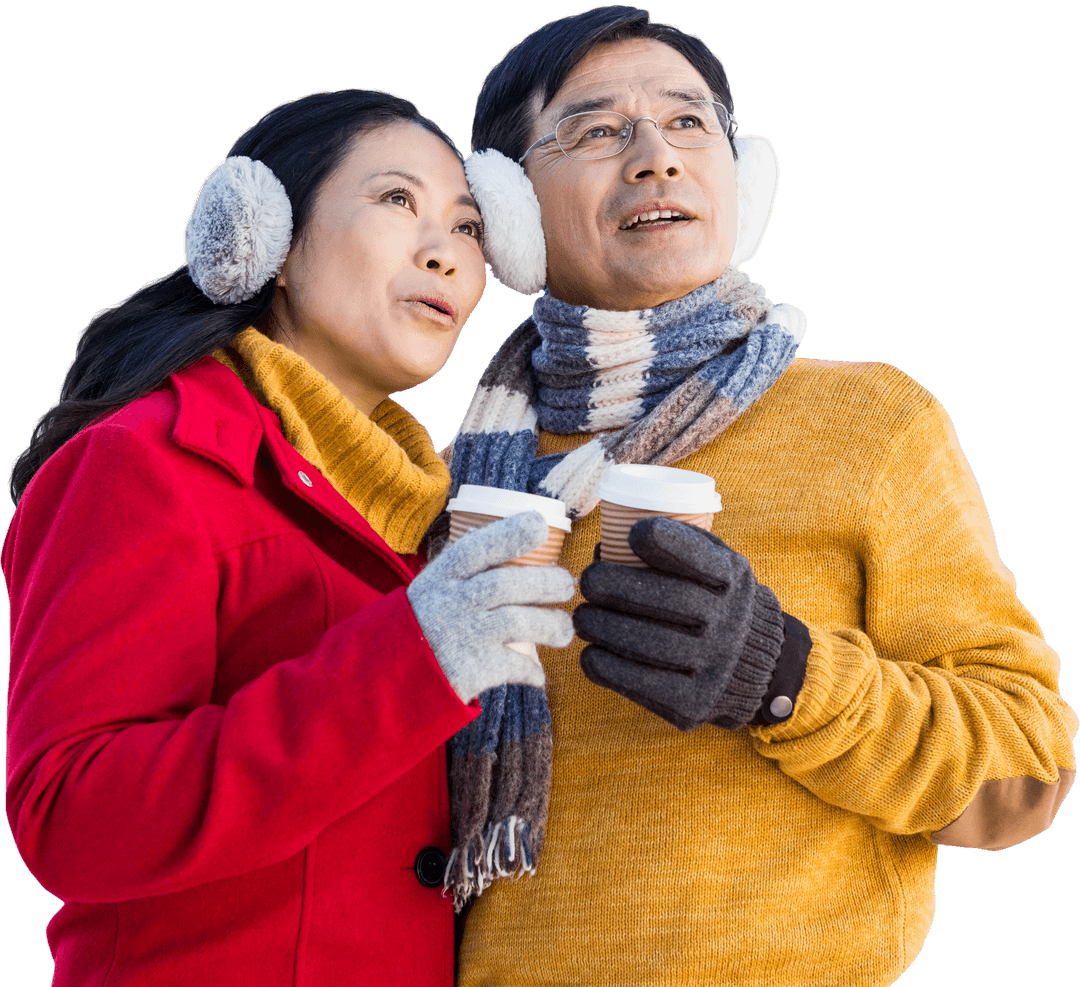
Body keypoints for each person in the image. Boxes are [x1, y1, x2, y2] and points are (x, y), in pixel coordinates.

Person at [441, 7, 1079, 986]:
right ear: (505, 209)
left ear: (750, 179)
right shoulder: (455, 482)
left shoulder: (874, 421)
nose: (656, 156)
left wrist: (784, 676)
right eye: (599, 128)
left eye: (691, 122)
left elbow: (1026, 775)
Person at [2, 88, 574, 986]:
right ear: (268, 237)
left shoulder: (420, 515)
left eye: (468, 227)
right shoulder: (139, 464)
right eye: (397, 201)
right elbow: (72, 814)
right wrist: (414, 657)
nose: (446, 252)